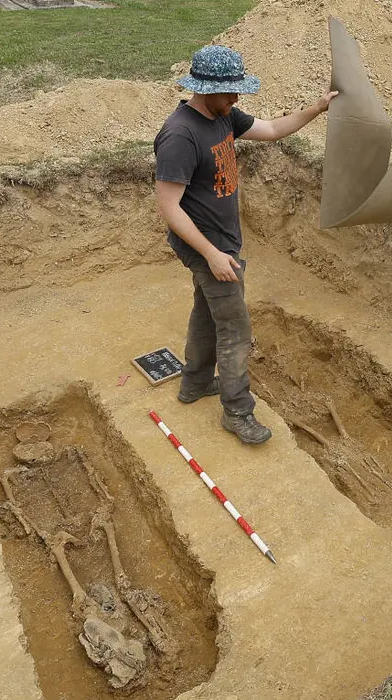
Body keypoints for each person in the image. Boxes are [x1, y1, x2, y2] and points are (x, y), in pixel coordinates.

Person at [154, 45, 336, 444]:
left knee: (207, 312)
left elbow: (270, 130)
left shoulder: (223, 116)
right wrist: (213, 255)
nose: (237, 99)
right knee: (235, 329)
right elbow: (169, 207)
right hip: (208, 247)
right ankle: (237, 412)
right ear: (203, 89)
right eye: (230, 92)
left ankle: (195, 384)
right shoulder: (180, 136)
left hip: (220, 244)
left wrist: (317, 109)